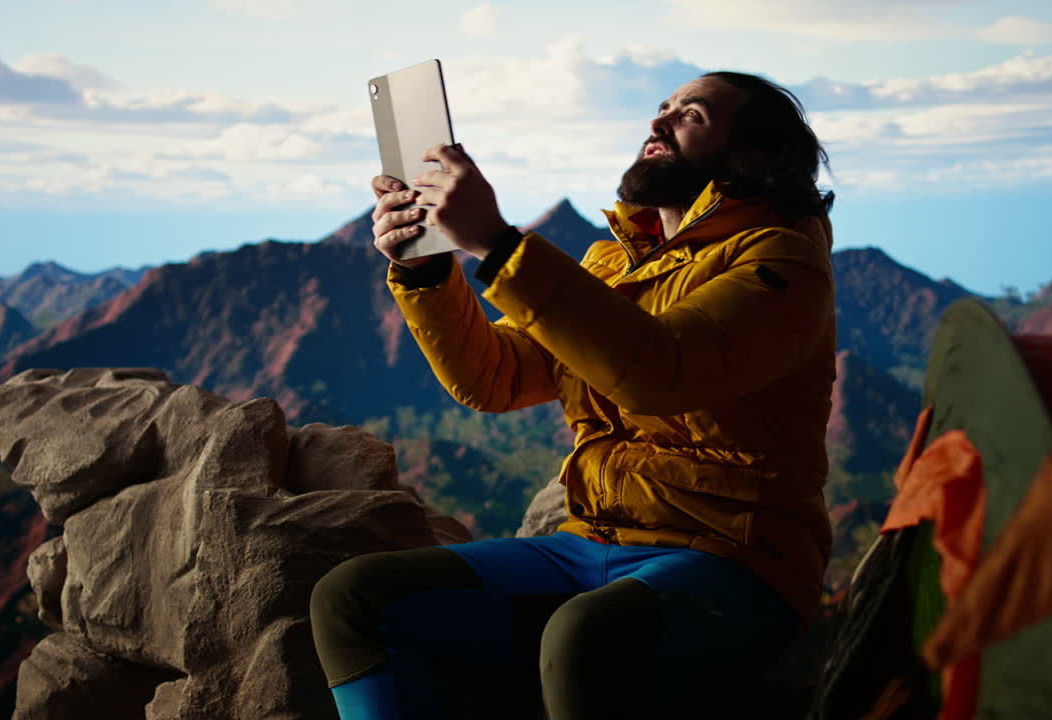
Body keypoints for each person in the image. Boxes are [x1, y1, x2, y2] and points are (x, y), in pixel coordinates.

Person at [310, 71, 836, 720]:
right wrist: (425, 267)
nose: (658, 123)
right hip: (590, 543)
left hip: (736, 561)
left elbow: (658, 371)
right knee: (353, 597)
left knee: (587, 637)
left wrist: (498, 244)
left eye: (690, 115)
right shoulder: (611, 268)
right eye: (661, 108)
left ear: (750, 153)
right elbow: (493, 377)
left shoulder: (783, 264)